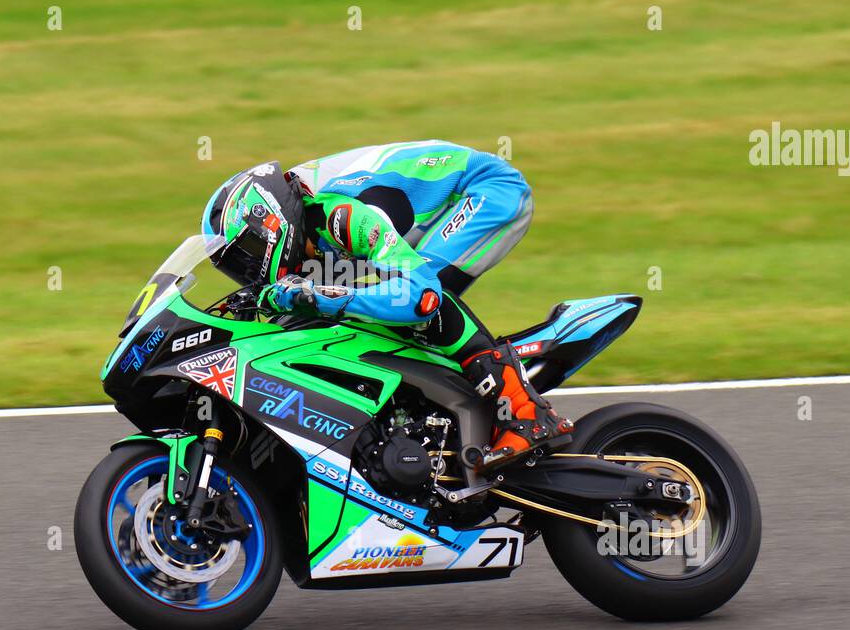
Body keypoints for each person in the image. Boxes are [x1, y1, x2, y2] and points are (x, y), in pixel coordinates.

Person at [201, 140, 573, 472]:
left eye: (248, 255)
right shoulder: (303, 221)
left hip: (486, 191)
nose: (249, 271)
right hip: (427, 214)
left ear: (270, 225)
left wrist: (326, 298)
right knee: (333, 321)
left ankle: (526, 412)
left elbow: (419, 298)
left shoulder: (341, 216)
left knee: (423, 300)